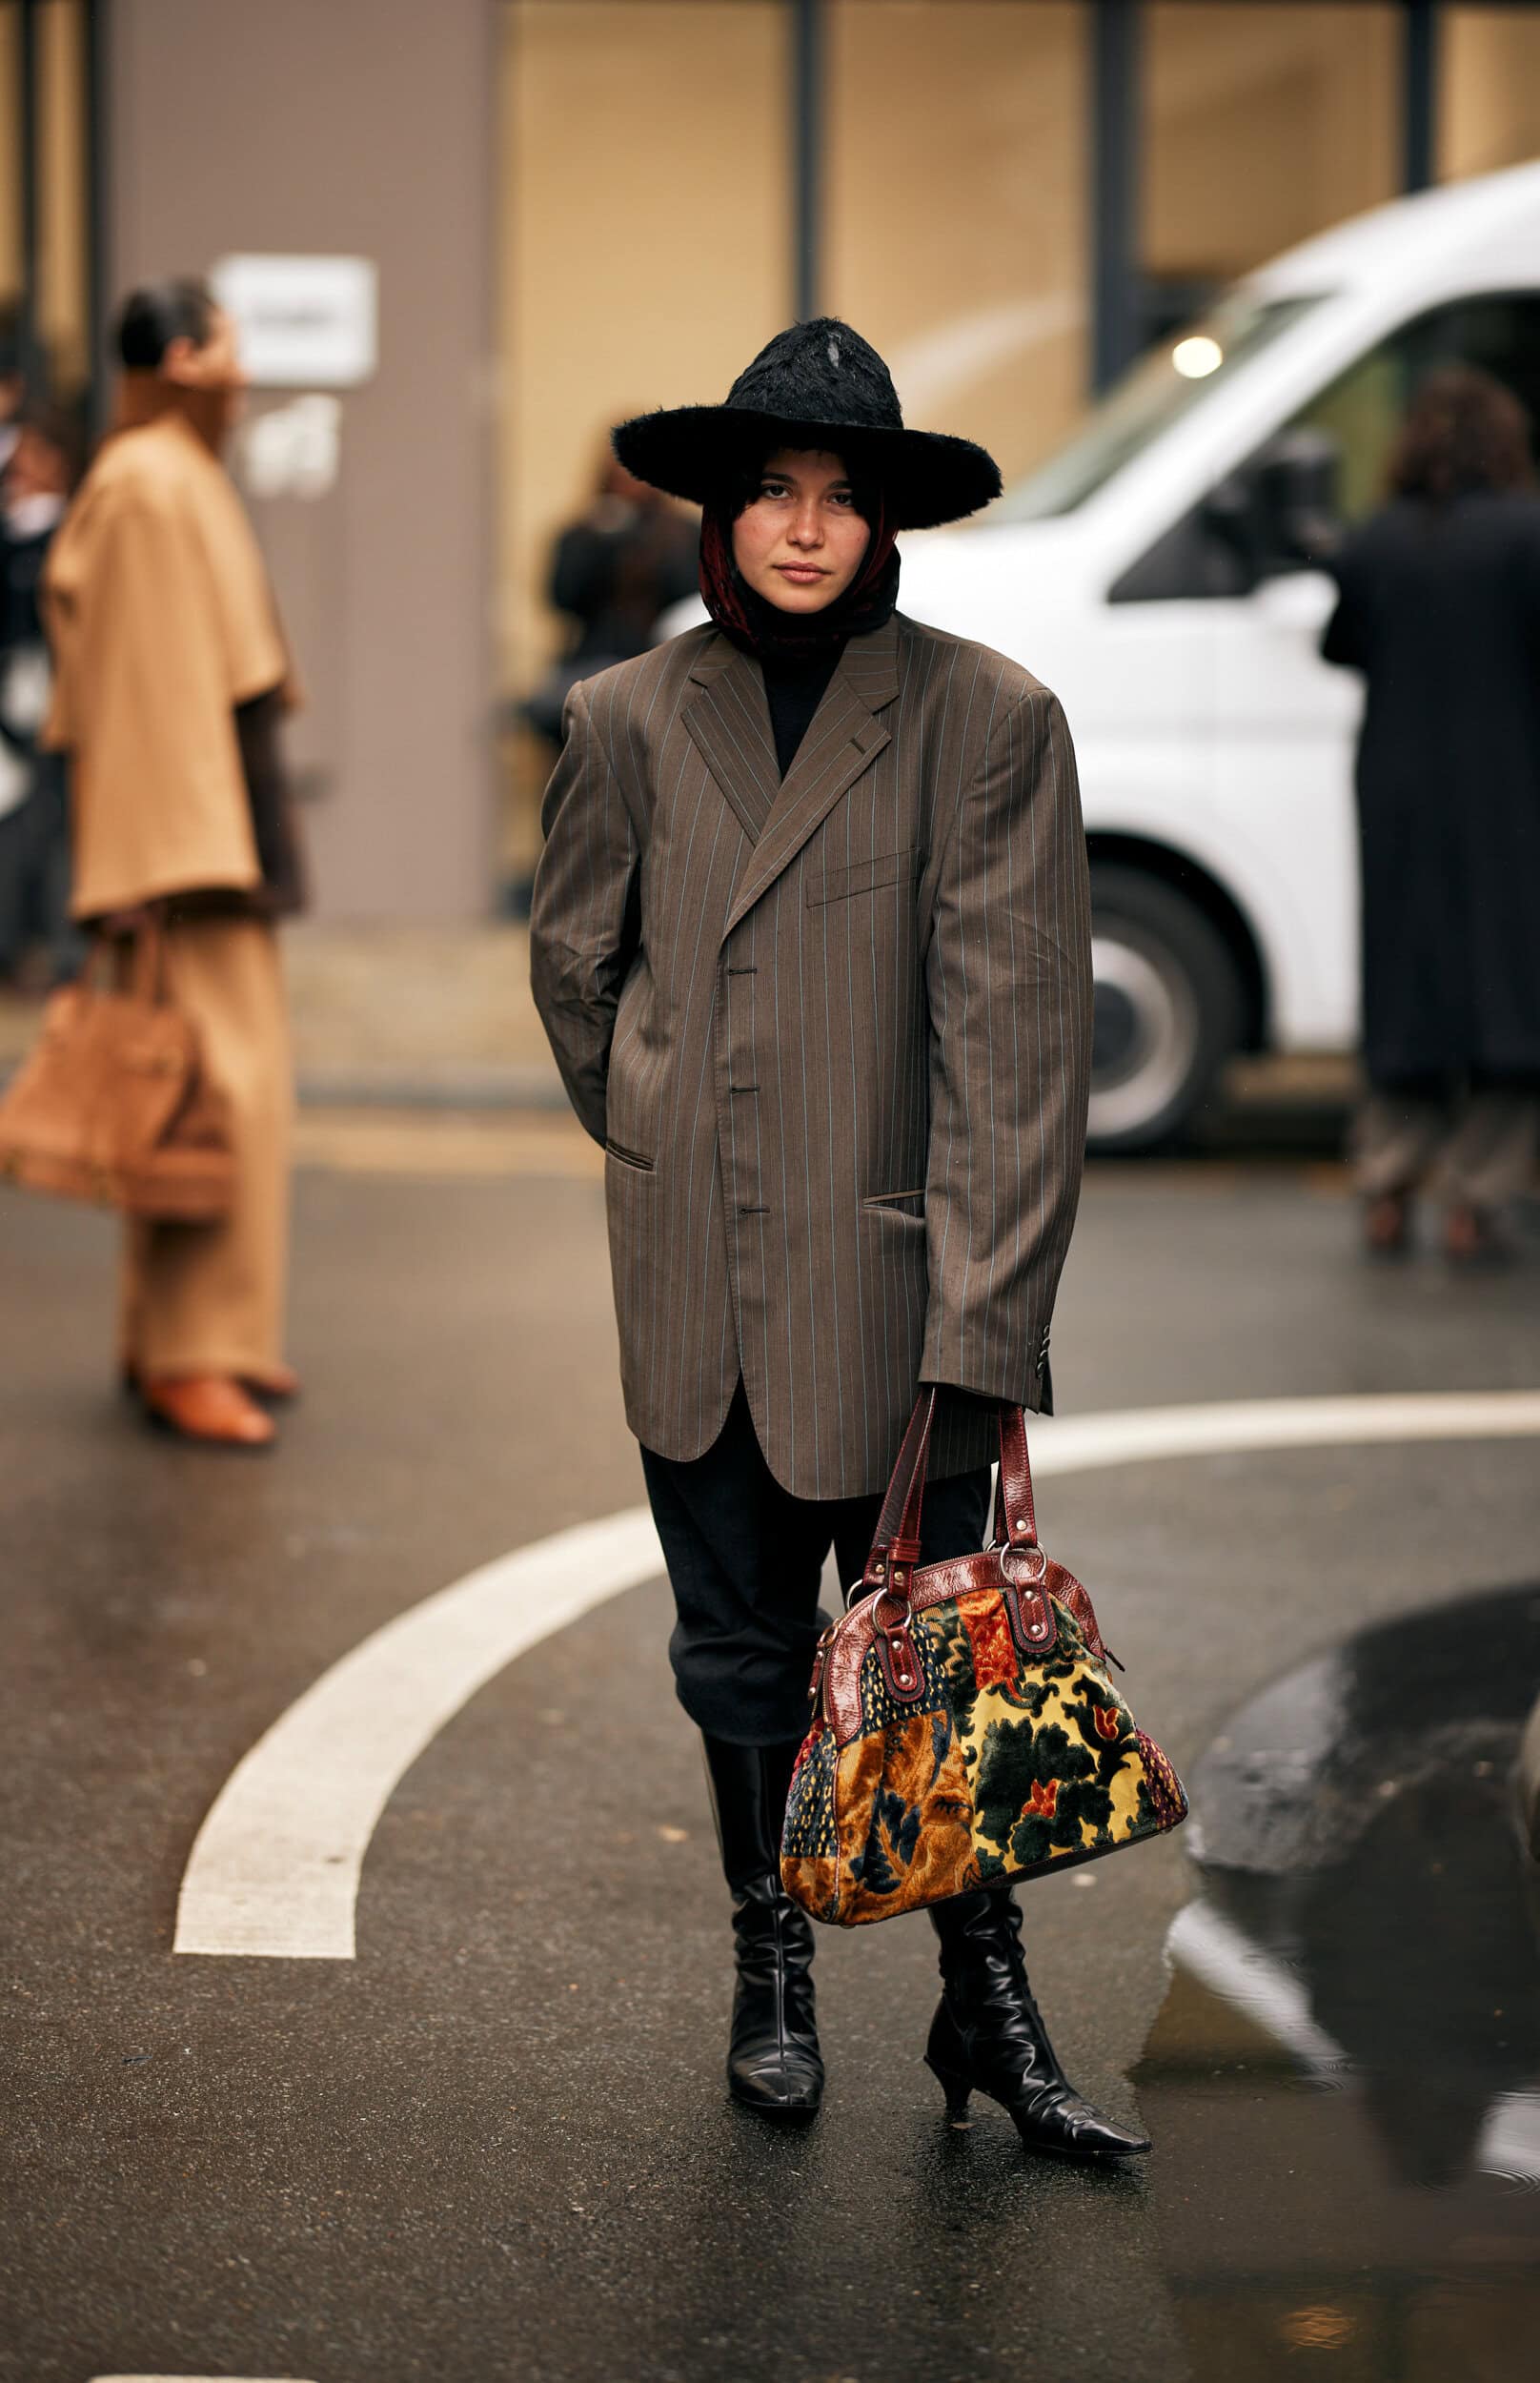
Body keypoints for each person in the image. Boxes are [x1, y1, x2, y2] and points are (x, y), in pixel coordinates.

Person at [531, 318, 1139, 2159]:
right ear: (721, 514)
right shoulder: (626, 719)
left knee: (944, 1656)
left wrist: (984, 1319)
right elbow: (576, 971)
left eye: (842, 500)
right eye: (773, 494)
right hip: (697, 1286)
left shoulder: (986, 720)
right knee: (734, 1653)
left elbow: (1020, 1048)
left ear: (888, 527)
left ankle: (991, 2007)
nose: (805, 529)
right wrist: (659, 1137)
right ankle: (766, 1967)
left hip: (901, 1300)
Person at [40, 279, 305, 1447]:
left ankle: (190, 1339)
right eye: (233, 351)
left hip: (208, 832)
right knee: (213, 1093)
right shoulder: (152, 480)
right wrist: (169, 864)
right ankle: (192, 1352)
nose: (245, 378)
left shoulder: (161, 470)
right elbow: (146, 690)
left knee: (202, 1090)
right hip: (191, 845)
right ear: (189, 357)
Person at [1322, 365, 1540, 1264]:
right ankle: (1476, 1200)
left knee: (1409, 984)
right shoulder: (1535, 536)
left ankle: (1387, 1185)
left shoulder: (1377, 540)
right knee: (1511, 988)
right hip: (1514, 795)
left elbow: (1339, 641)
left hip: (1398, 796)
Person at [520, 444, 698, 745]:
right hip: (592, 659)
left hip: (664, 665)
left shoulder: (684, 535)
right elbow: (560, 598)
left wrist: (652, 550)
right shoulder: (581, 534)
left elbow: (692, 600)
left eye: (639, 474)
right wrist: (597, 545)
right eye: (621, 475)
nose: (631, 485)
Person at [0, 406, 83, 988]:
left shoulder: (65, 535)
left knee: (52, 824)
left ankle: (58, 949)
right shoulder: (13, 536)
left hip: (51, 696)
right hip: (13, 698)